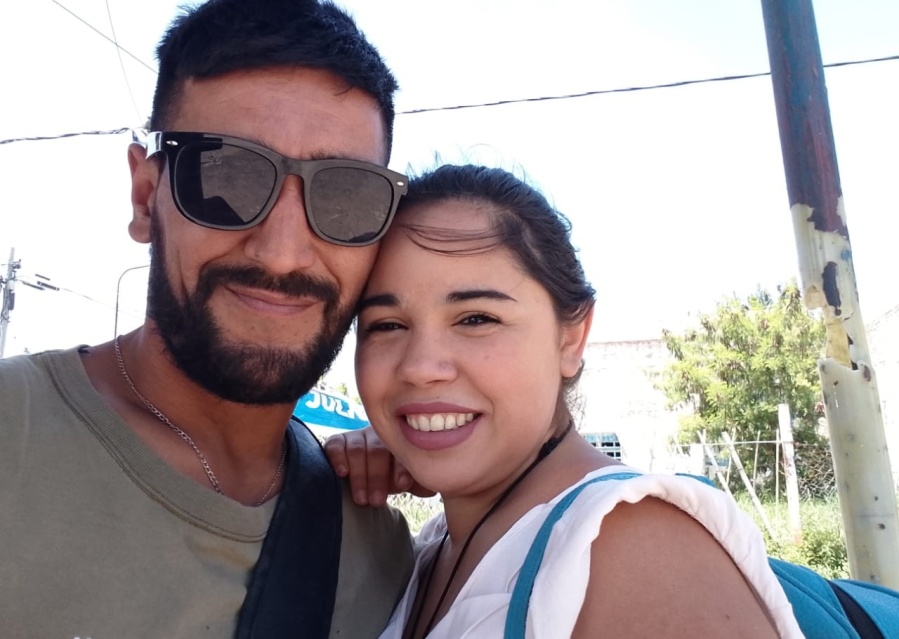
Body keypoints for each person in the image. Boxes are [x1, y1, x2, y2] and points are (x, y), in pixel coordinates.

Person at [0, 1, 413, 637]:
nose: (282, 253)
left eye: (346, 196)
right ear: (146, 197)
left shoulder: (386, 555)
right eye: (226, 177)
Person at [326, 164, 805, 638]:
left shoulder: (624, 546)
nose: (419, 367)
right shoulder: (433, 550)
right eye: (386, 325)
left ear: (571, 338)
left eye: (476, 319)